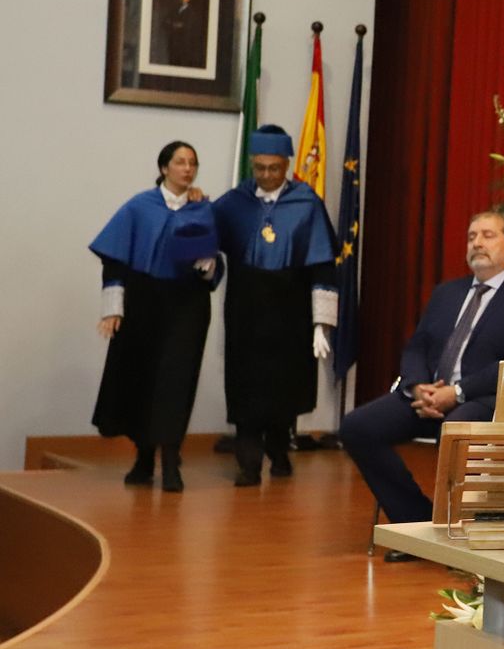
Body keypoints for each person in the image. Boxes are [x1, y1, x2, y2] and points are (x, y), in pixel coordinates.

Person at [341, 212, 504, 557]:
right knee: (357, 427)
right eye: (472, 236)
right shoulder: (448, 292)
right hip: (429, 394)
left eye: (488, 235)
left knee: (456, 428)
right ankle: (416, 523)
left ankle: (462, 531)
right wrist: (417, 386)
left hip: (486, 398)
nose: (477, 243)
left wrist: (457, 392)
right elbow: (417, 346)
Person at [90, 141, 224, 493]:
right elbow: (114, 258)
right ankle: (144, 457)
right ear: (164, 168)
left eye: (193, 163)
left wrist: (208, 265)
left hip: (188, 305)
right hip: (144, 303)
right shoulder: (139, 206)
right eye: (180, 162)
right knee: (142, 378)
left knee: (177, 382)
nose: (187, 168)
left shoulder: (203, 208)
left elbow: (215, 262)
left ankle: (171, 460)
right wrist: (113, 308)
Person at [212, 125, 340, 486]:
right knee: (246, 386)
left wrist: (322, 323)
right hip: (246, 308)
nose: (266, 175)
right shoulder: (234, 202)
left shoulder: (307, 203)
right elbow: (203, 233)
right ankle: (248, 464)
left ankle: (280, 449)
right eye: (260, 168)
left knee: (284, 386)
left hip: (291, 308)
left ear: (287, 165)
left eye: (274, 168)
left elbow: (322, 266)